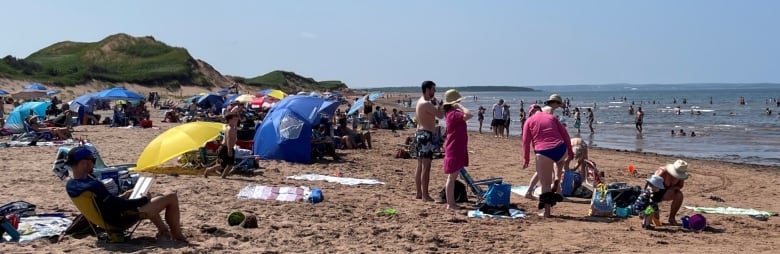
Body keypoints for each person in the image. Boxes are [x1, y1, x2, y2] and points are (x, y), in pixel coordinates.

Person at [64, 147, 185, 241]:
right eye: (92, 161)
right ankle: (177, 235)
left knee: (149, 196)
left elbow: (106, 203)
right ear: (84, 163)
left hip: (105, 221)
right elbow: (117, 205)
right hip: (118, 222)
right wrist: (142, 200)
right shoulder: (93, 185)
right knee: (171, 196)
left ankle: (163, 231)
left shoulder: (71, 185)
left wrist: (124, 196)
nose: (93, 164)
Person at [522, 94, 573, 217]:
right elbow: (565, 135)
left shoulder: (528, 121)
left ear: (531, 113)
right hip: (561, 149)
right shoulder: (551, 117)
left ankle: (547, 212)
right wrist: (570, 152)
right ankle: (557, 174)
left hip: (543, 152)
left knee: (545, 184)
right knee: (558, 162)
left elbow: (525, 142)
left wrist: (526, 159)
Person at [441, 89, 472, 210]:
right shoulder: (453, 114)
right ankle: (450, 203)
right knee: (452, 178)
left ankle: (451, 203)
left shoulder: (450, 113)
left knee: (452, 177)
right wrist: (460, 106)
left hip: (456, 147)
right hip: (454, 148)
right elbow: (469, 114)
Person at [414, 81, 444, 202]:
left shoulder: (420, 101)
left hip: (420, 133)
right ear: (427, 89)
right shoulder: (426, 104)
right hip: (426, 135)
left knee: (420, 165)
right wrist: (439, 104)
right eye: (433, 90)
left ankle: (419, 193)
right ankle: (425, 195)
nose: (434, 92)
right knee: (426, 166)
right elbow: (440, 115)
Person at [203, 113, 239, 178]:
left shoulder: (232, 127)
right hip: (226, 148)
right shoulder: (229, 128)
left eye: (237, 119)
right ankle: (208, 170)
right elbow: (228, 139)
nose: (236, 121)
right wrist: (229, 149)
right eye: (235, 119)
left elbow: (234, 132)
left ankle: (223, 176)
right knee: (222, 165)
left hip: (230, 147)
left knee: (230, 165)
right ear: (230, 120)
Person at [653, 159, 689, 225]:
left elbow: (680, 186)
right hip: (656, 192)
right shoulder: (662, 171)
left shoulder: (680, 176)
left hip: (668, 192)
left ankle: (672, 218)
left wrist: (673, 188)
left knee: (679, 195)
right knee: (655, 219)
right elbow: (652, 184)